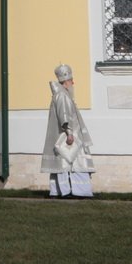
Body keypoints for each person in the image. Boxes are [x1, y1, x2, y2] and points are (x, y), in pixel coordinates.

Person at [42, 63, 95, 199]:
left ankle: (60, 190)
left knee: (63, 164)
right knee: (72, 164)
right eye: (72, 81)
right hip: (69, 137)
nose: (73, 83)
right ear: (66, 82)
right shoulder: (62, 96)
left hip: (70, 134)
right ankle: (76, 190)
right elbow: (64, 115)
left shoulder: (61, 94)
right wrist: (69, 133)